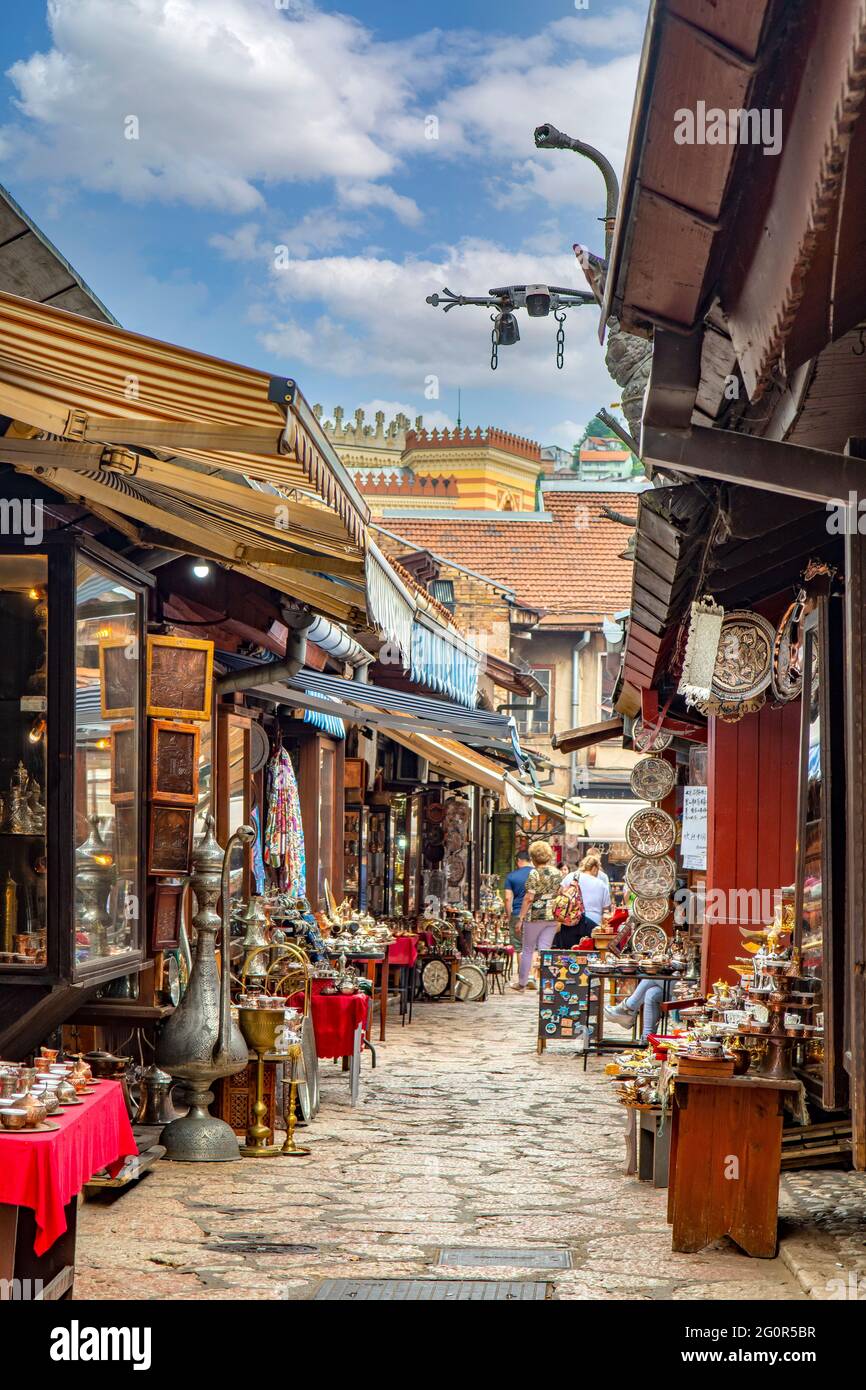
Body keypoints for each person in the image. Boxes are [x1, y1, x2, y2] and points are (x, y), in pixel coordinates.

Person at [511, 840, 562, 991]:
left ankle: (522, 983)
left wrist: (520, 918)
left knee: (527, 949)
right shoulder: (557, 873)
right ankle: (546, 985)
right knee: (545, 951)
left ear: (533, 857)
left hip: (535, 916)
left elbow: (529, 897)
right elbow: (559, 893)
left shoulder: (534, 873)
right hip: (552, 916)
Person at [562, 852, 611, 928]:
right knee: (588, 940)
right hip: (593, 922)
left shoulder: (571, 876)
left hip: (570, 919)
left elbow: (560, 893)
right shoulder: (601, 884)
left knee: (568, 939)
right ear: (594, 868)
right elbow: (606, 909)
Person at [504, 849, 532, 951]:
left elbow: (508, 898)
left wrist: (509, 916)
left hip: (517, 913)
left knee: (519, 949)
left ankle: (521, 968)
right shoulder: (537, 874)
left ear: (519, 860)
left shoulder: (511, 876)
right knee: (533, 949)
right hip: (535, 915)